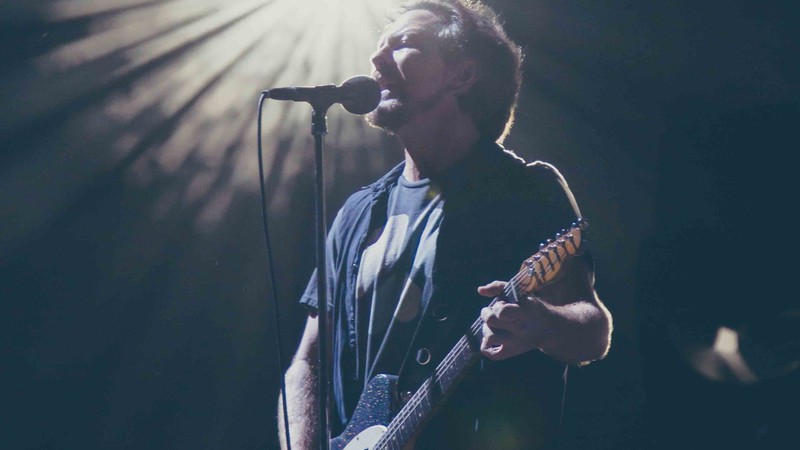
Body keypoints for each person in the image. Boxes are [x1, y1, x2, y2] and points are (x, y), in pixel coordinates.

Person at [278, 1, 612, 448]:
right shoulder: (357, 212)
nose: (376, 61)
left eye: (404, 45)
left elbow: (592, 330)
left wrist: (543, 323)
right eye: (379, 47)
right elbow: (309, 359)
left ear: (462, 75)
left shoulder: (525, 190)